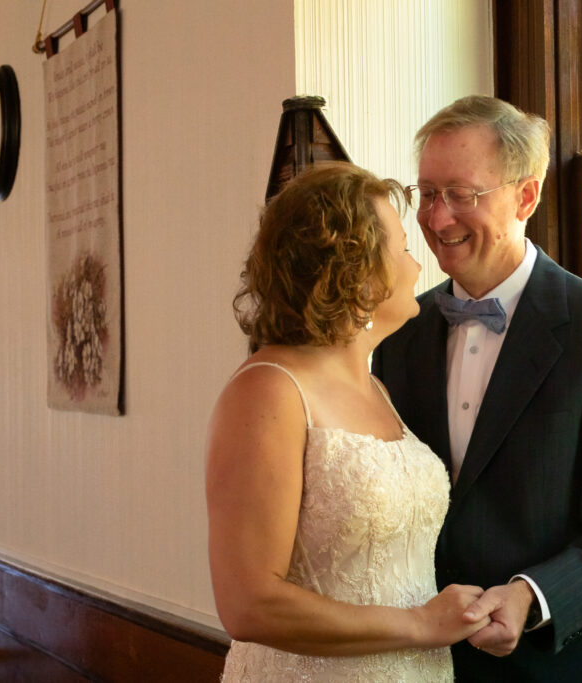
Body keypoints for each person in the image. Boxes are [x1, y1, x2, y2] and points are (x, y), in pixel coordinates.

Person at [372, 95, 582, 681]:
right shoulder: (398, 332)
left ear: (526, 197)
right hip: (422, 665)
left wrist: (531, 596)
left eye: (462, 194)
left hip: (562, 668)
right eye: (428, 194)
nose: (438, 219)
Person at [205, 161, 490, 682]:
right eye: (403, 249)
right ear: (357, 271)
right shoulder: (269, 390)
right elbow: (247, 604)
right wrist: (421, 624)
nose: (417, 267)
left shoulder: (377, 387)